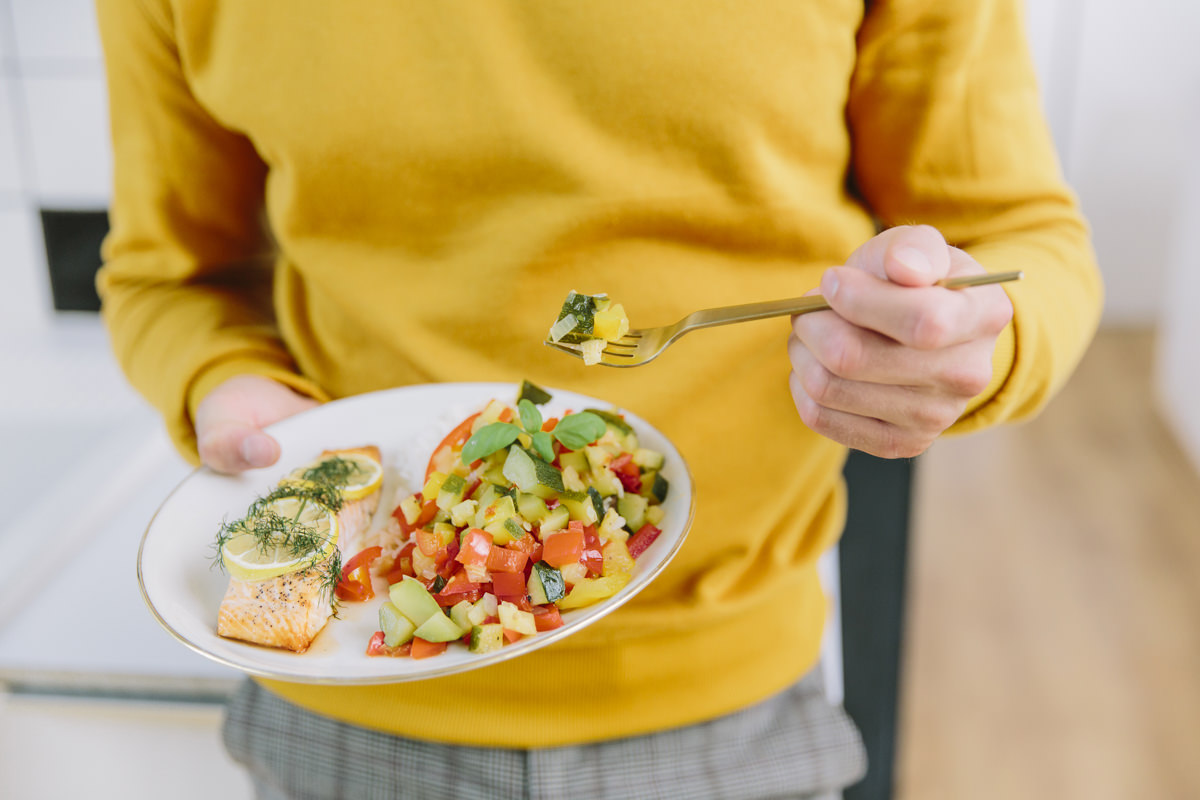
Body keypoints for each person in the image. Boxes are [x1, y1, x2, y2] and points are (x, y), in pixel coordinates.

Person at [95, 1, 1102, 798]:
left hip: (730, 718)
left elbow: (1024, 236)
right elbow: (166, 275)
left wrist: (977, 339)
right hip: (344, 706)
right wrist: (225, 385)